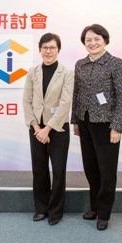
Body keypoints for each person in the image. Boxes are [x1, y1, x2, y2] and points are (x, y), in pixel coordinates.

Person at [71, 24, 122, 231]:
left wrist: (117, 127)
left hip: (106, 125)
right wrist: (75, 121)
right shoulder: (80, 64)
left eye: (96, 39)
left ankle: (104, 213)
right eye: (88, 40)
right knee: (91, 168)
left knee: (107, 171)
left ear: (105, 40)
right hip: (85, 123)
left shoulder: (115, 63)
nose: (92, 43)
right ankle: (95, 206)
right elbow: (76, 94)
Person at [23, 33, 74, 225]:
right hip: (36, 128)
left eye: (52, 47)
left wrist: (48, 129)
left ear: (58, 50)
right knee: (40, 169)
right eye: (45, 47)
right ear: (39, 50)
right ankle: (41, 208)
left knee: (59, 171)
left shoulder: (67, 73)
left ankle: (55, 211)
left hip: (58, 129)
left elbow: (65, 102)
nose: (48, 51)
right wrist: (37, 127)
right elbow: (26, 101)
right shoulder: (32, 72)